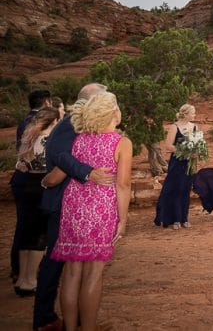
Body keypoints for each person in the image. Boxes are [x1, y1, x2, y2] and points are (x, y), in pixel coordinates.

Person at [43, 91, 133, 331]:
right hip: (101, 207)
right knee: (93, 271)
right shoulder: (122, 143)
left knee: (72, 271)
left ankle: (71, 328)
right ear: (114, 113)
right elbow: (123, 185)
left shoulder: (80, 139)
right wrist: (122, 219)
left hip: (73, 205)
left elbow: (63, 171)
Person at [33, 83, 114, 331]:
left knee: (69, 265)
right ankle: (45, 319)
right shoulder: (71, 124)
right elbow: (60, 157)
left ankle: (73, 319)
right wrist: (88, 173)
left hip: (73, 203)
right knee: (57, 264)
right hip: (63, 204)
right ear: (91, 100)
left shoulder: (80, 124)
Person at [13, 107, 60, 296]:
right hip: (43, 186)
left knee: (27, 232)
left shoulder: (29, 137)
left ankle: (22, 279)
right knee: (40, 235)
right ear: (54, 122)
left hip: (27, 187)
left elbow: (21, 165)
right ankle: (31, 280)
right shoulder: (50, 140)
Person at [11, 89, 50, 286]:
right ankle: (29, 278)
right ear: (46, 102)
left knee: (25, 227)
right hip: (36, 184)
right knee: (38, 230)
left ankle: (20, 273)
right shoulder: (42, 130)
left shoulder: (26, 122)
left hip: (22, 180)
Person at [154, 104, 198, 229]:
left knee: (186, 189)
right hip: (177, 162)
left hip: (190, 163)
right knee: (176, 189)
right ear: (185, 114)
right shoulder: (175, 127)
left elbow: (197, 145)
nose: (194, 115)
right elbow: (168, 146)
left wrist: (196, 152)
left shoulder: (194, 127)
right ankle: (176, 219)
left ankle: (185, 218)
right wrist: (185, 151)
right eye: (193, 113)